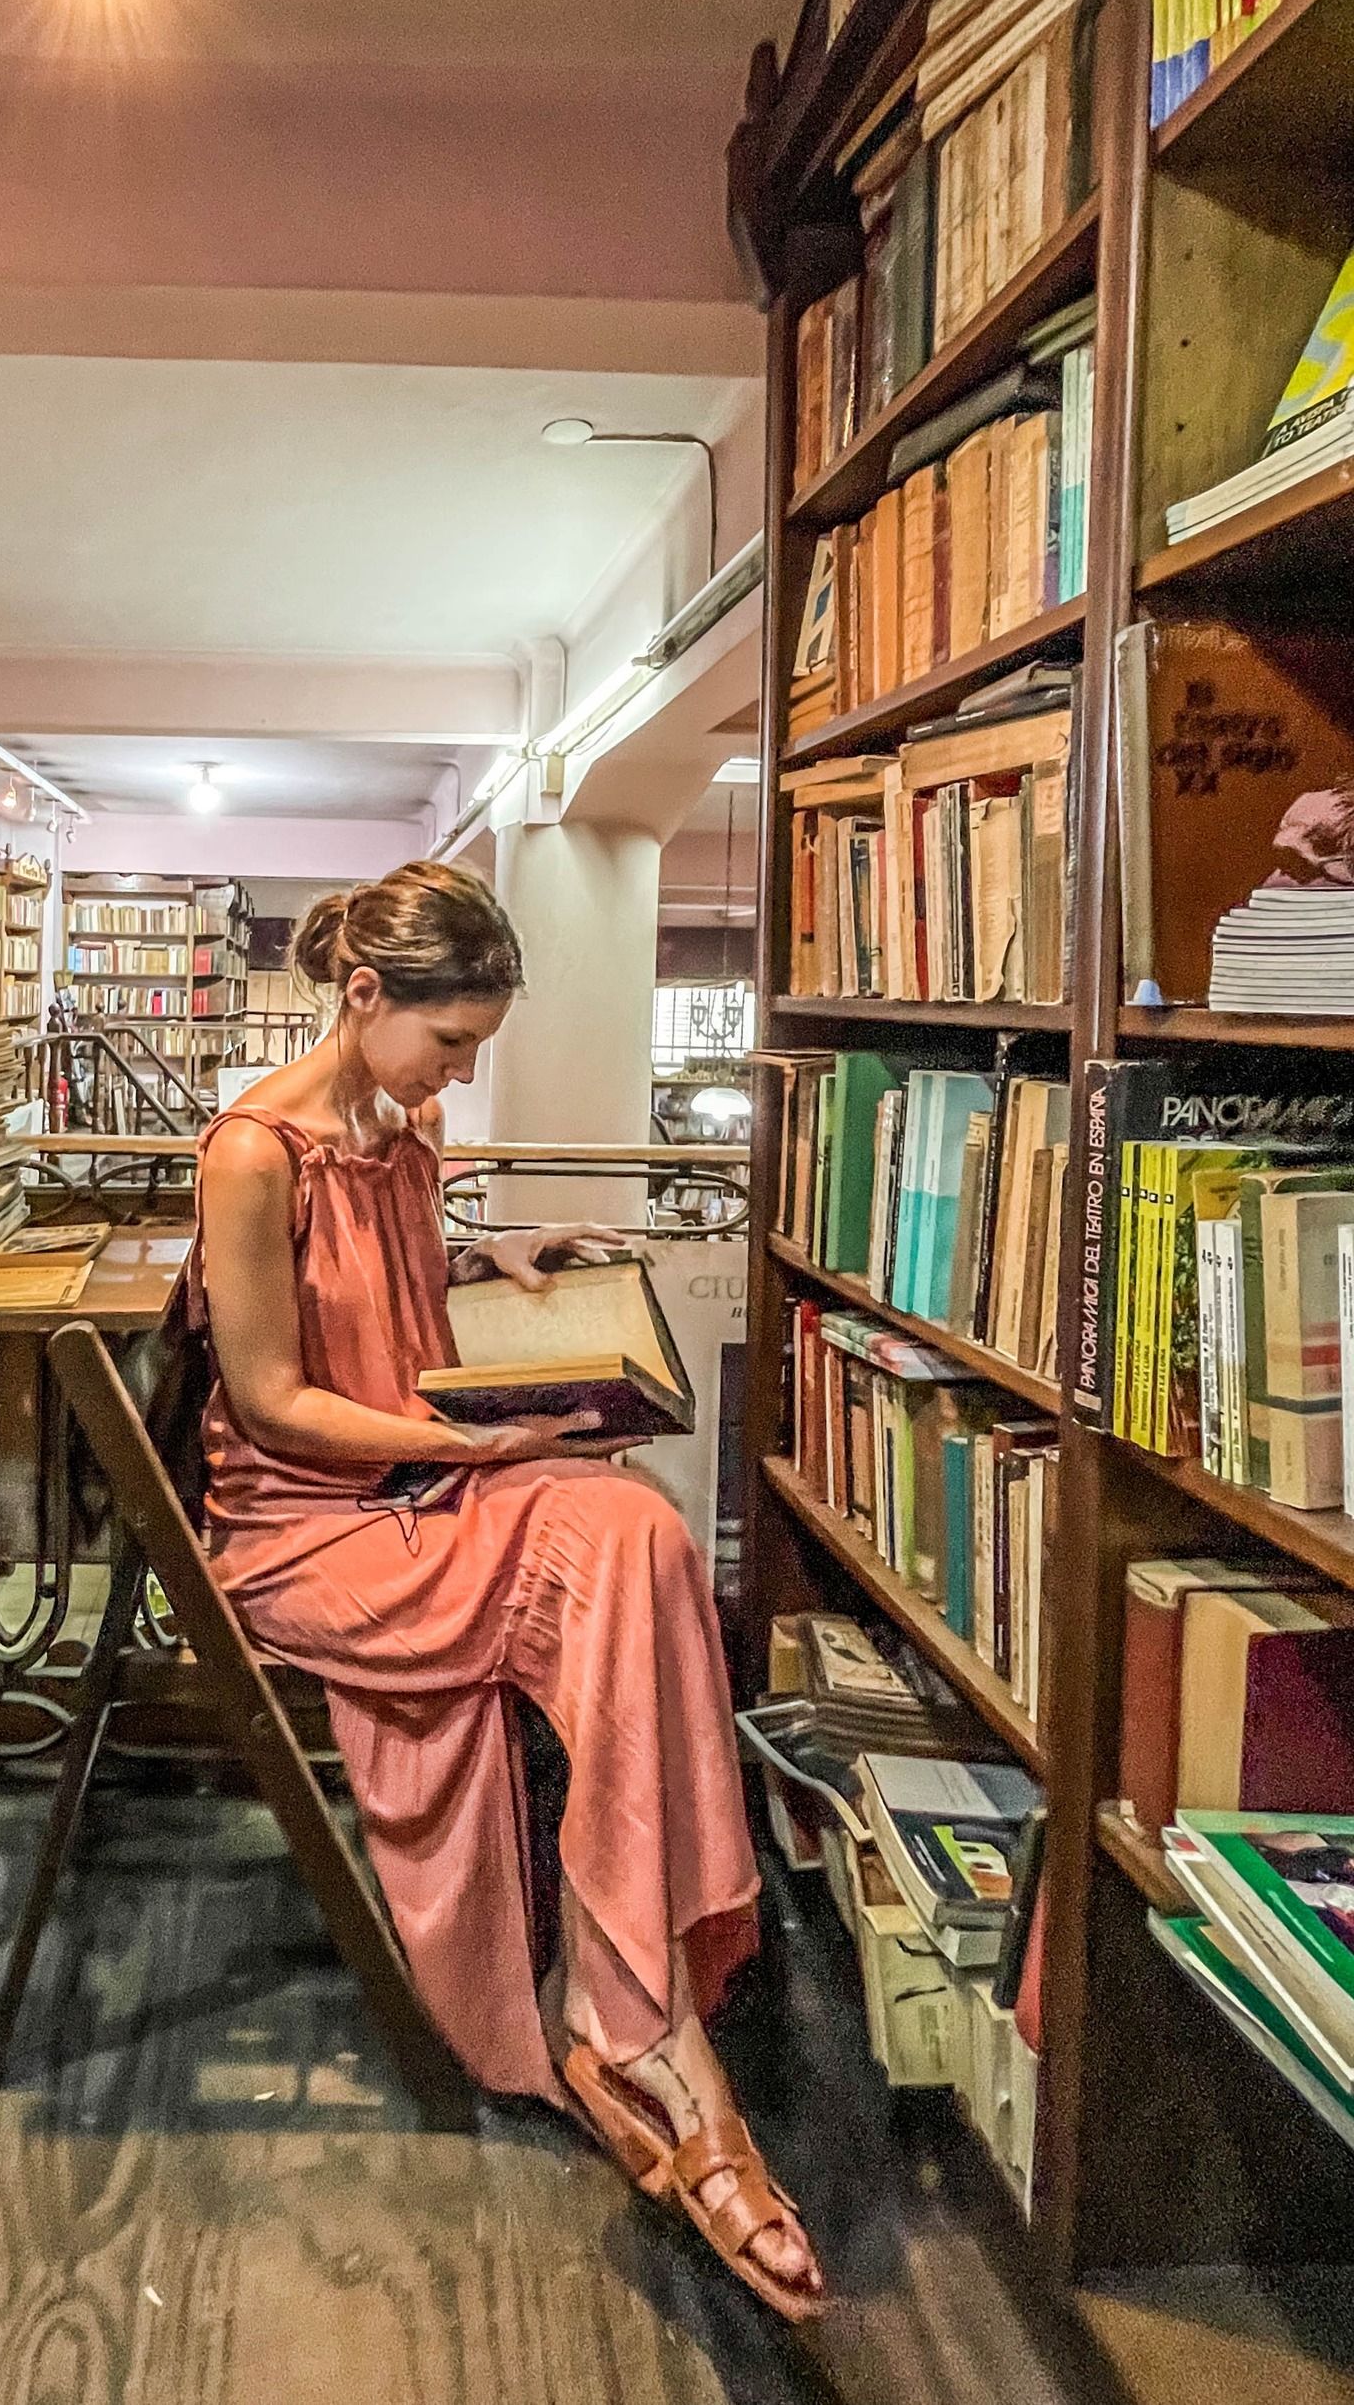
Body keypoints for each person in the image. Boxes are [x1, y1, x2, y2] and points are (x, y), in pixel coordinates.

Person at [190, 860, 822, 2320]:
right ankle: (651, 2027)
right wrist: (473, 1443)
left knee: (638, 1530)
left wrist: (496, 1255)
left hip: (415, 1483)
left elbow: (389, 1295)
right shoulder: (252, 1154)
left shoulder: (401, 1132)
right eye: (452, 1042)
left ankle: (631, 1993)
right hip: (312, 1527)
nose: (463, 1073)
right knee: (623, 1538)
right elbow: (273, 1399)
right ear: (363, 994)